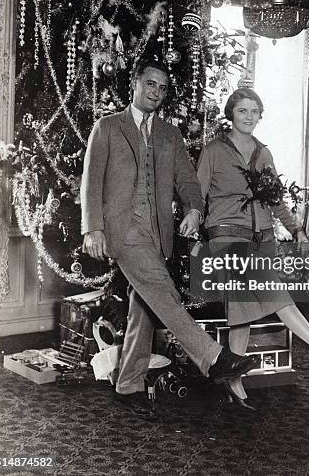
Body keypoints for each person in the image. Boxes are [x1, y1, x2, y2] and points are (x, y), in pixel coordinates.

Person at [81, 61, 260, 418]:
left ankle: (128, 384)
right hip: (123, 230)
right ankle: (213, 358)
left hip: (157, 233)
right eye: (150, 84)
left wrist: (194, 209)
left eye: (162, 88)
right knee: (164, 292)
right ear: (135, 84)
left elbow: (188, 181)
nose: (156, 92)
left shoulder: (170, 134)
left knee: (145, 303)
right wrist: (92, 228)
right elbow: (91, 181)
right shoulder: (108, 127)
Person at [196, 88, 309, 411]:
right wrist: (195, 230)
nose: (248, 117)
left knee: (242, 310)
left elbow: (276, 201)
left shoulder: (264, 154)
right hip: (227, 236)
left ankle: (234, 384)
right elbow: (197, 196)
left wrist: (297, 230)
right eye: (242, 111)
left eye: (254, 111)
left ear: (261, 116)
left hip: (262, 238)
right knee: (277, 298)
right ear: (230, 113)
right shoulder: (214, 151)